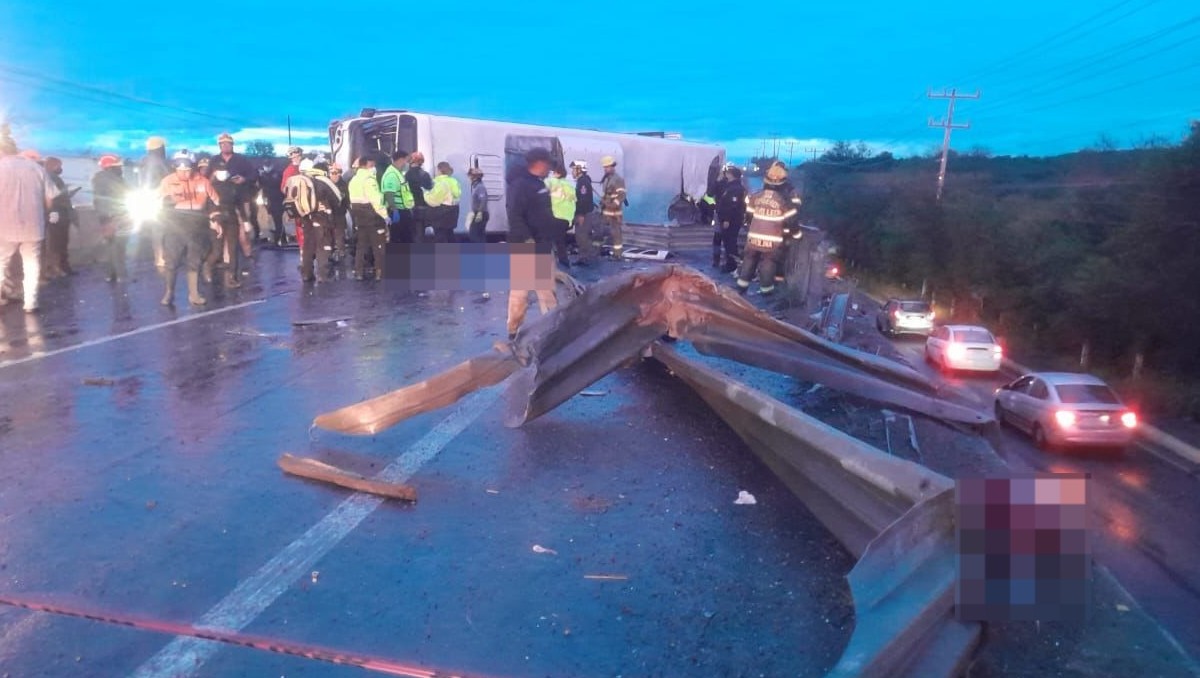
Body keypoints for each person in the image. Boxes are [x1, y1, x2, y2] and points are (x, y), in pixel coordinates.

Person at [0, 135, 60, 312]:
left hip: (5, 226)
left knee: (1, 261)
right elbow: (50, 199)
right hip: (34, 225)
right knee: (31, 263)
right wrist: (50, 213)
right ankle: (30, 302)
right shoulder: (36, 168)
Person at [505, 147, 559, 339]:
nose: (550, 168)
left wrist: (556, 226)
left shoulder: (538, 183)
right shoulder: (520, 185)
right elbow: (514, 215)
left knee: (546, 291)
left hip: (542, 244)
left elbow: (541, 214)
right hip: (525, 245)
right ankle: (514, 330)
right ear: (540, 163)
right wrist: (526, 239)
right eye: (548, 164)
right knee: (521, 291)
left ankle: (552, 328)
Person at [158, 151, 221, 306]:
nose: (184, 172)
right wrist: (169, 201)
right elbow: (158, 204)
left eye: (187, 169)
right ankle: (169, 292)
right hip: (175, 225)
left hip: (197, 225)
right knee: (172, 261)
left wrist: (215, 219)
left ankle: (194, 294)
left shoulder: (203, 181)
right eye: (180, 169)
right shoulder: (167, 182)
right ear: (175, 167)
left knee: (195, 261)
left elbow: (215, 202)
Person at [736, 162, 800, 295]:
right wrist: (797, 235)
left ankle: (741, 288)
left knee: (749, 259)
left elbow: (749, 216)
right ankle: (766, 292)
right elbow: (792, 221)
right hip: (772, 239)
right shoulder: (784, 200)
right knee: (768, 262)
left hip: (753, 237)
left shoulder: (756, 196)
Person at [210, 132, 256, 260]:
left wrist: (243, 179)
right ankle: (226, 257)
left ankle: (248, 252)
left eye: (228, 144)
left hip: (240, 198)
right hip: (220, 200)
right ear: (219, 146)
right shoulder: (214, 161)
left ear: (232, 145)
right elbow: (206, 180)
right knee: (222, 228)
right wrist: (213, 176)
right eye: (223, 144)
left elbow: (254, 175)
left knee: (243, 227)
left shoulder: (241, 160)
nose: (225, 146)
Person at [295, 160, 343, 283]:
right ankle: (323, 275)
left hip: (306, 217)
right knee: (323, 246)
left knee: (308, 246)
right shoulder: (324, 181)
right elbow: (337, 199)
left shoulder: (304, 180)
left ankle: (306, 274)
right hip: (321, 218)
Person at [92, 154, 131, 283]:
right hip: (117, 216)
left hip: (103, 216)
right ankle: (122, 275)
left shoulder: (97, 178)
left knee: (110, 245)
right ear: (111, 167)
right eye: (118, 166)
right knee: (119, 246)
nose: (121, 168)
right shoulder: (116, 180)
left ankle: (110, 274)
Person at [349, 155, 389, 280]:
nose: (374, 168)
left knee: (361, 245)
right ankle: (380, 272)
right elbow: (376, 200)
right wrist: (385, 215)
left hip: (359, 216)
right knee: (378, 245)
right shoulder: (369, 180)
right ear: (366, 165)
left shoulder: (353, 180)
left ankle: (359, 272)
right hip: (372, 216)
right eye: (372, 166)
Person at [138, 136, 172, 268]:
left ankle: (158, 256)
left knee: (155, 230)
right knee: (161, 229)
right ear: (160, 148)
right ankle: (162, 257)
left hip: (149, 198)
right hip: (160, 199)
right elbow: (168, 179)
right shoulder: (159, 162)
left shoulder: (144, 162)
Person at [41, 156, 77, 279]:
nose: (60, 168)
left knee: (60, 243)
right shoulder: (49, 178)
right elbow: (51, 197)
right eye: (58, 166)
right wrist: (53, 211)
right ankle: (57, 268)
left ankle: (61, 267)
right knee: (57, 244)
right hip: (57, 215)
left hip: (61, 214)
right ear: (52, 166)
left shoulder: (52, 177)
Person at [714, 165, 746, 273]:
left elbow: (733, 205)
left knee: (730, 243)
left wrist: (727, 219)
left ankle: (732, 265)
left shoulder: (736, 188)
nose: (726, 174)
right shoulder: (730, 186)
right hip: (727, 219)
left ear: (732, 175)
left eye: (728, 173)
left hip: (731, 221)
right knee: (728, 242)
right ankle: (730, 264)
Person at [544, 162, 575, 267]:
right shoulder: (569, 186)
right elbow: (573, 201)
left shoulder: (551, 181)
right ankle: (564, 261)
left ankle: (551, 263)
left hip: (555, 216)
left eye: (553, 172)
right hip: (567, 219)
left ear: (557, 173)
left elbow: (540, 189)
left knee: (547, 239)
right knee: (560, 241)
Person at [380, 151, 415, 244]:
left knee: (405, 238)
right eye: (407, 160)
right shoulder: (392, 175)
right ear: (400, 160)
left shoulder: (398, 173)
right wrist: (394, 210)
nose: (407, 163)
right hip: (397, 212)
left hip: (403, 210)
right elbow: (389, 194)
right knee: (397, 238)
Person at [570, 160, 599, 266]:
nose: (572, 172)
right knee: (580, 236)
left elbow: (583, 199)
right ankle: (585, 257)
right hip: (583, 213)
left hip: (584, 214)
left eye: (574, 169)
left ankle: (588, 258)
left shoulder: (583, 182)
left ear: (579, 170)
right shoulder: (582, 181)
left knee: (582, 236)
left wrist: (581, 214)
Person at [424, 161, 461, 243]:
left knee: (440, 236)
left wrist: (425, 194)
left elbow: (434, 200)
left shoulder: (440, 183)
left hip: (442, 213)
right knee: (450, 234)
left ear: (439, 170)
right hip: (453, 211)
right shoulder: (454, 181)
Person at [599, 155, 626, 259]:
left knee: (616, 233)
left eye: (607, 167)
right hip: (606, 211)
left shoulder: (618, 179)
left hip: (615, 212)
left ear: (612, 166)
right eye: (604, 167)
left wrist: (613, 204)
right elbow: (606, 193)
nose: (605, 169)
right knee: (601, 231)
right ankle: (599, 250)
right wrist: (603, 202)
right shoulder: (607, 179)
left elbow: (621, 195)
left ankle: (617, 254)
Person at [406, 151, 434, 243]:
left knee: (412, 232)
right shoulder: (425, 174)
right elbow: (430, 189)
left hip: (409, 206)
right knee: (420, 232)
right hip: (422, 206)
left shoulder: (406, 175)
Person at [280, 146, 304, 248]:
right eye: (293, 155)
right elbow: (283, 188)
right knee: (301, 228)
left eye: (297, 155)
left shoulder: (306, 167)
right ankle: (303, 255)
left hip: (309, 202)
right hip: (298, 203)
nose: (296, 157)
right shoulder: (289, 171)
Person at [328, 163, 350, 269]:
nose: (337, 175)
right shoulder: (326, 184)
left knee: (340, 234)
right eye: (333, 173)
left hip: (339, 213)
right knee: (328, 234)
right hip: (328, 214)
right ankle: (329, 252)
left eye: (339, 173)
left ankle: (341, 252)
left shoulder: (343, 184)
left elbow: (347, 199)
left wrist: (344, 209)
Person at [466, 167, 489, 243]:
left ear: (474, 177)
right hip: (480, 213)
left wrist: (479, 213)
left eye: (470, 176)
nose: (469, 178)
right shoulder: (477, 186)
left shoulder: (480, 187)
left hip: (480, 213)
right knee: (479, 235)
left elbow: (483, 200)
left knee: (474, 234)